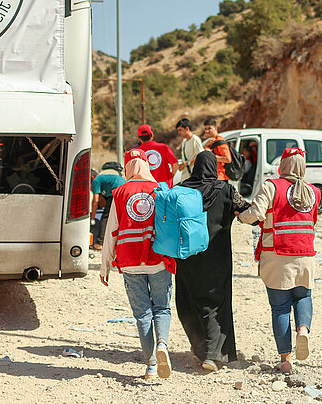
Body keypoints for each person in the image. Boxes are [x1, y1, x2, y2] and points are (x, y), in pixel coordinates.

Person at [236, 147, 321, 373]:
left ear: (282, 165)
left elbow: (256, 214)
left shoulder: (272, 186)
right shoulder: (314, 192)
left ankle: (286, 359)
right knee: (303, 295)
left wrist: (240, 217)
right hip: (305, 255)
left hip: (277, 256)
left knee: (280, 308)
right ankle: (303, 330)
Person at [100, 149, 176, 379]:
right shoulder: (160, 190)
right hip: (157, 259)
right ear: (146, 165)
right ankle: (162, 344)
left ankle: (151, 365)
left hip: (130, 261)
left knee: (142, 314)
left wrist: (105, 266)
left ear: (127, 167)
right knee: (161, 307)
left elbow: (111, 231)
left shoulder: (120, 192)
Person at [176, 151, 250, 372]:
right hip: (217, 258)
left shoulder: (181, 189)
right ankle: (213, 355)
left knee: (188, 301)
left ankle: (200, 349)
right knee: (215, 303)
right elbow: (247, 211)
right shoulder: (225, 189)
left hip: (186, 257)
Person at [90, 161, 125, 250]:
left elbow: (96, 200)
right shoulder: (106, 178)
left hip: (117, 189)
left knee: (105, 216)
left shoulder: (96, 180)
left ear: (91, 178)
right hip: (124, 188)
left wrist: (92, 218)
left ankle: (99, 243)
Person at [137, 124, 178, 188]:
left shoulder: (137, 152)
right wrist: (170, 177)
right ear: (152, 136)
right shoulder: (163, 147)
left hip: (147, 189)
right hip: (165, 187)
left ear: (139, 138)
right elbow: (175, 164)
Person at [176, 118, 204, 182]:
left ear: (187, 129)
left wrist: (187, 163)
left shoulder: (195, 139)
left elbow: (201, 158)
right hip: (186, 177)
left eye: (180, 130)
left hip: (194, 177)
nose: (179, 132)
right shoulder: (184, 142)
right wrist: (181, 166)